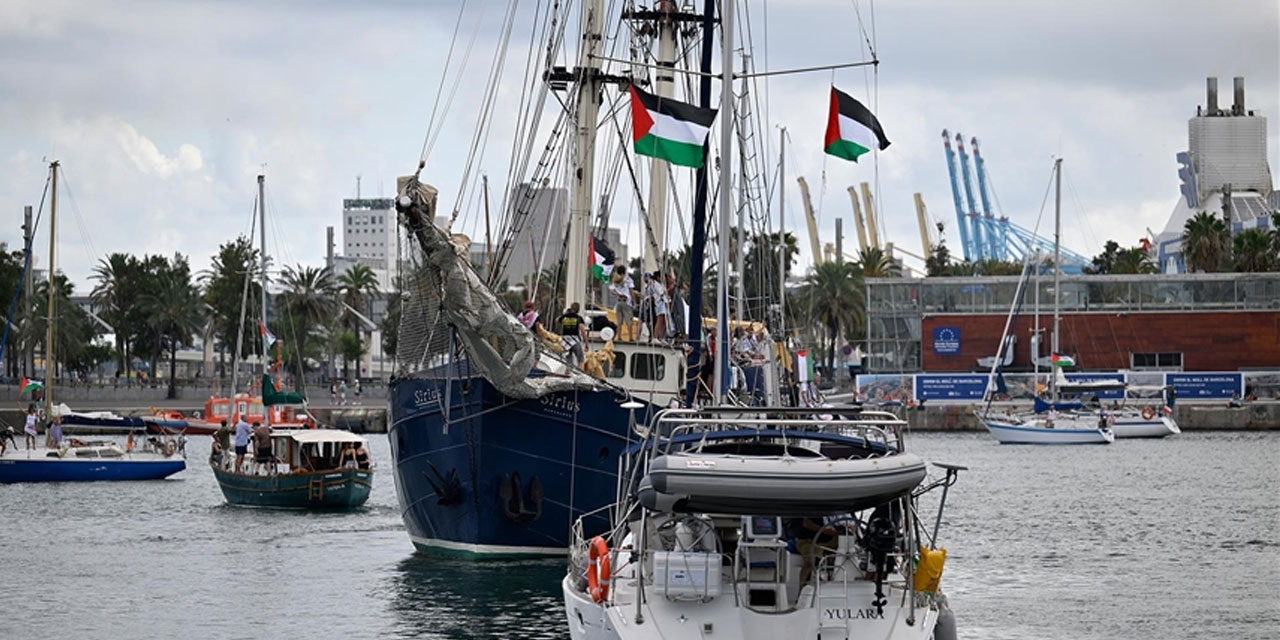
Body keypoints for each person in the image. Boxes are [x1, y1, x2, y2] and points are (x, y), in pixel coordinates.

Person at [556, 302, 587, 367]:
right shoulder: (578, 318)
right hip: (575, 340)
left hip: (565, 341)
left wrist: (565, 314)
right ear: (578, 309)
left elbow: (557, 321)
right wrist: (586, 343)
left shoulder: (564, 317)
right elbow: (582, 331)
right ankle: (581, 374)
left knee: (568, 360)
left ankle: (568, 373)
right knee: (580, 359)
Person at [608, 267, 635, 341]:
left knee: (619, 321)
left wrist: (617, 294)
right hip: (626, 302)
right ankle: (631, 337)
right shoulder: (628, 280)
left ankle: (619, 336)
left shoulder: (615, 279)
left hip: (619, 301)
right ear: (624, 272)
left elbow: (611, 290)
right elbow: (631, 291)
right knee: (629, 320)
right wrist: (633, 301)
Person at [645, 271, 668, 342]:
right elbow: (661, 293)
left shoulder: (658, 284)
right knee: (659, 319)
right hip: (659, 302)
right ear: (658, 277)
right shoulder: (655, 284)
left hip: (662, 302)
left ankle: (661, 337)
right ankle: (655, 337)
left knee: (663, 320)